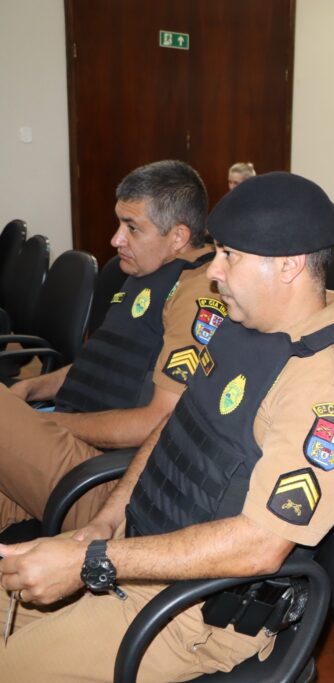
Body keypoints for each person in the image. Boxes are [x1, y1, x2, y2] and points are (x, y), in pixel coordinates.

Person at [0, 172, 334, 681]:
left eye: (230, 255)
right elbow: (170, 433)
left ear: (289, 265)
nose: (214, 271)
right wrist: (103, 524)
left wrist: (95, 560)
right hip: (136, 548)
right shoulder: (240, 330)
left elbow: (260, 546)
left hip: (196, 612)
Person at [0, 160, 222, 534]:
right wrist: (30, 389)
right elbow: (101, 364)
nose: (116, 239)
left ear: (178, 237)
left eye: (132, 228)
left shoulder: (196, 292)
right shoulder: (141, 272)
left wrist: (43, 422)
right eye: (119, 224)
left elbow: (158, 421)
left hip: (110, 485)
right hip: (71, 452)